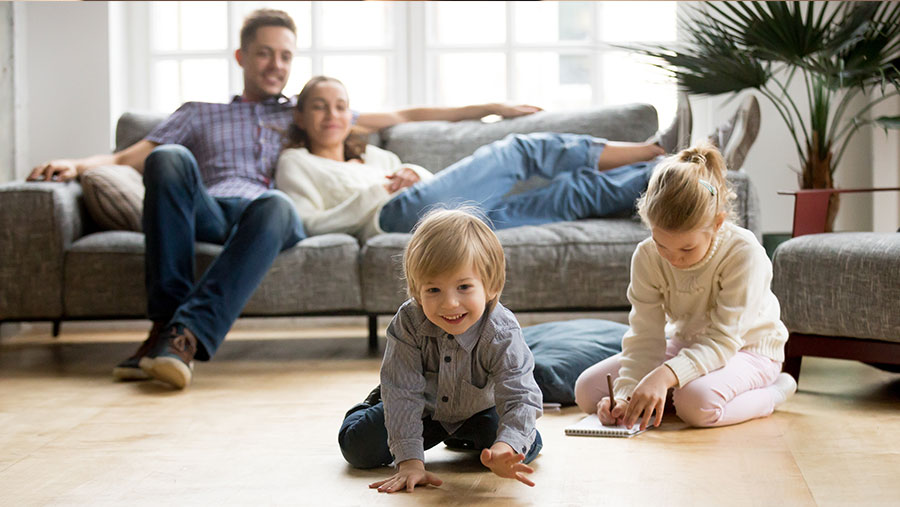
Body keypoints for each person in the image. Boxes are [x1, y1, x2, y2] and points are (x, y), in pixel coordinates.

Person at [27, 9, 540, 390]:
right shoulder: (198, 112)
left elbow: (406, 114)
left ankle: (179, 337)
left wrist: (490, 107)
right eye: (265, 53)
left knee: (276, 204)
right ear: (242, 57)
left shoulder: (302, 112)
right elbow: (131, 155)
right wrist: (76, 165)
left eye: (286, 55)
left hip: (269, 217)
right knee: (168, 159)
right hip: (210, 209)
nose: (276, 64)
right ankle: (167, 326)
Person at [276, 76, 671, 240]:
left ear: (351, 115)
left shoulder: (377, 156)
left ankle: (667, 170)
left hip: (444, 221)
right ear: (300, 115)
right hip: (392, 220)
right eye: (319, 107)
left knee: (569, 194)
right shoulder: (297, 163)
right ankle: (655, 147)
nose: (332, 116)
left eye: (340, 106)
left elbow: (434, 190)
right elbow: (307, 224)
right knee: (517, 151)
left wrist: (413, 172)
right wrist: (376, 193)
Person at [573, 142, 797, 431]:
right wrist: (627, 396)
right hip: (686, 345)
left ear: (717, 224)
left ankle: (774, 391)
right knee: (587, 391)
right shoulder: (646, 255)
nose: (673, 259)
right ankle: (669, 393)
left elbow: (723, 340)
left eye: (687, 249)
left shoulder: (744, 253)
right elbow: (645, 335)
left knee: (695, 405)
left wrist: (664, 376)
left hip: (748, 349)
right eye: (661, 244)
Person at [337, 208, 543, 493]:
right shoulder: (409, 322)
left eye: (464, 287)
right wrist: (409, 462)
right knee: (357, 448)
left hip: (479, 409)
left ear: (491, 286)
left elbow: (520, 396)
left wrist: (504, 447)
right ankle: (374, 401)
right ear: (416, 291)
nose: (449, 304)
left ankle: (466, 436)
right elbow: (404, 394)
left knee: (523, 446)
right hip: (422, 408)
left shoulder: (502, 330)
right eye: (433, 290)